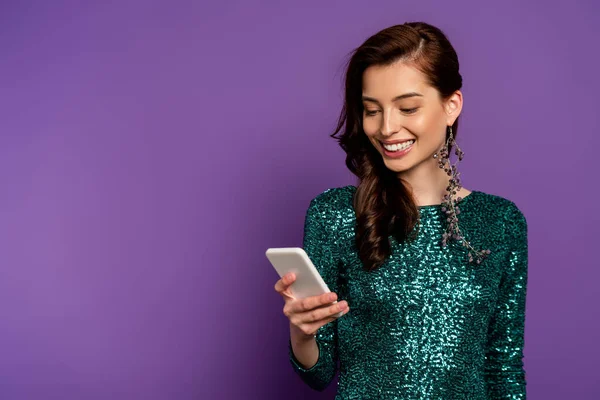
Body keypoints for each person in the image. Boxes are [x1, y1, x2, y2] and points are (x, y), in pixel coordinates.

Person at [273, 21, 528, 399]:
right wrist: (302, 332)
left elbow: (503, 366)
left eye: (407, 107)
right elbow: (319, 373)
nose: (387, 128)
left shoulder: (501, 221)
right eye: (371, 110)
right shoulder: (337, 214)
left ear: (451, 105)